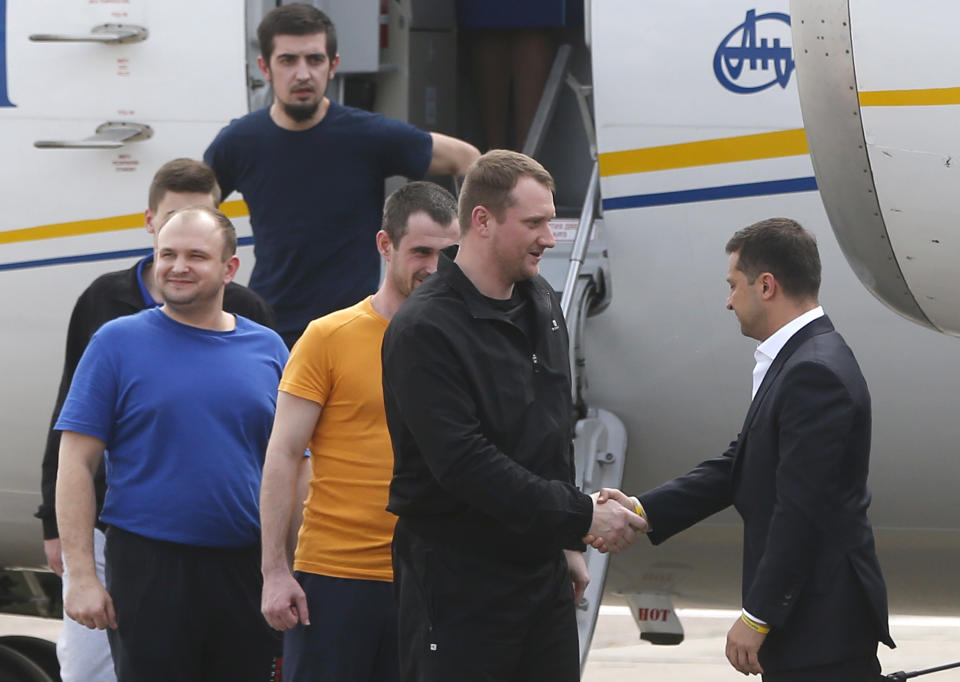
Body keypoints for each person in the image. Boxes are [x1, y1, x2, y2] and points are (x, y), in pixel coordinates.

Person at [380, 150, 646, 682]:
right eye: (534, 223)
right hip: (461, 585)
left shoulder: (542, 300)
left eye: (549, 221)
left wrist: (568, 543)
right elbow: (464, 464)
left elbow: (551, 431)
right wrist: (579, 515)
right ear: (482, 221)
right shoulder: (424, 330)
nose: (550, 238)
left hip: (540, 576)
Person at [595, 218, 895, 681]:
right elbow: (742, 462)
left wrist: (758, 615)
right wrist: (642, 508)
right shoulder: (801, 359)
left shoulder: (813, 371)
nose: (729, 300)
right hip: (813, 620)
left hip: (820, 625)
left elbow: (802, 510)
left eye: (734, 285)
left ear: (767, 286)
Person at [34, 158, 273, 682]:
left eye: (195, 256)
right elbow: (75, 459)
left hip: (243, 568)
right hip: (149, 569)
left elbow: (290, 466)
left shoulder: (269, 347)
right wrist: (81, 576)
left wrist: (282, 569)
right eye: (167, 254)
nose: (177, 266)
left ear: (230, 270)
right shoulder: (116, 340)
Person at [258, 181, 460, 682]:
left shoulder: (467, 343)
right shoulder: (329, 337)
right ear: (385, 246)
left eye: (447, 253)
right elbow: (283, 453)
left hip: (435, 581)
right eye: (421, 252)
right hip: (335, 579)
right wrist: (275, 572)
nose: (435, 267)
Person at [204, 3, 480, 347]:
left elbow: (467, 159)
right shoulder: (238, 142)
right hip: (271, 331)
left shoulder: (366, 135)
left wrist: (469, 261)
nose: (303, 73)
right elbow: (192, 212)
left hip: (354, 331)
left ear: (333, 65)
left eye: (315, 60)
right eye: (288, 60)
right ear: (265, 67)